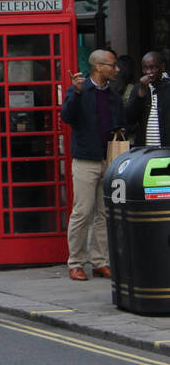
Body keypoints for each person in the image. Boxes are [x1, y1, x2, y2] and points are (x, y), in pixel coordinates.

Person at [61, 49, 125, 280]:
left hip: (109, 159)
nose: (116, 69)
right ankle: (76, 262)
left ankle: (100, 261)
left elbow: (120, 122)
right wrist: (76, 93)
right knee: (82, 212)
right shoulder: (78, 90)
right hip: (85, 161)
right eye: (112, 65)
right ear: (99, 67)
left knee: (104, 213)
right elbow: (66, 117)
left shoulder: (114, 96)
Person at [125, 50, 169, 148]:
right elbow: (129, 119)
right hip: (145, 149)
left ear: (162, 67)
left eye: (153, 68)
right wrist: (140, 94)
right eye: (145, 68)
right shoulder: (138, 88)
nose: (149, 72)